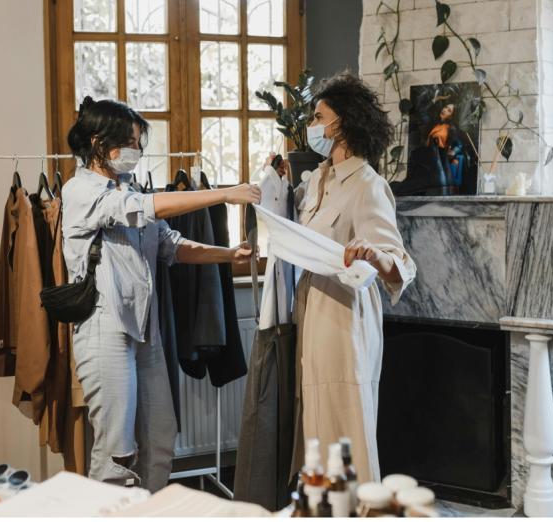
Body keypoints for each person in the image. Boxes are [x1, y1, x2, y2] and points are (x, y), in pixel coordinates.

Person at [62, 96, 260, 490]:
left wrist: (228, 254)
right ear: (101, 142)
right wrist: (222, 194)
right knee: (117, 452)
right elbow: (143, 209)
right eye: (132, 142)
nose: (137, 151)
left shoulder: (128, 186)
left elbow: (171, 245)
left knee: (160, 439)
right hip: (106, 331)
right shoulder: (80, 191)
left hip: (145, 333)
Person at [285, 73, 417, 484]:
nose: (313, 125)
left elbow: (400, 261)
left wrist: (375, 255)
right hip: (312, 313)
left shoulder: (367, 185)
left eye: (319, 116)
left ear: (341, 123)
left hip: (344, 319)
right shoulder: (317, 180)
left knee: (347, 428)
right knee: (318, 433)